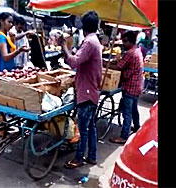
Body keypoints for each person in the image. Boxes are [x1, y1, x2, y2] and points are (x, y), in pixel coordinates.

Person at [59, 11, 102, 169]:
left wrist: (64, 47)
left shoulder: (89, 42)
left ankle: (79, 158)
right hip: (91, 90)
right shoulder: (94, 41)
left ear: (84, 27)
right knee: (90, 127)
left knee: (83, 129)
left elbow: (75, 62)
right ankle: (92, 156)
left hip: (87, 92)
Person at [108, 31, 144, 144]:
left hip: (130, 86)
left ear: (131, 41)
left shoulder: (131, 53)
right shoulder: (137, 50)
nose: (123, 43)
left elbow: (119, 66)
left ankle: (124, 136)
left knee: (127, 112)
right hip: (137, 86)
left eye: (125, 41)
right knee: (134, 109)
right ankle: (137, 127)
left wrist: (106, 64)